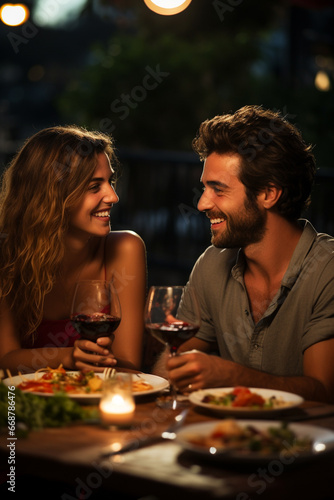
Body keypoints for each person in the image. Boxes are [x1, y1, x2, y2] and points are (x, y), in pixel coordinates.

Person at [154, 104, 334, 403]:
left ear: (268, 194)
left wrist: (233, 377)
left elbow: (325, 394)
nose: (202, 204)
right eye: (204, 188)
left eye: (218, 189)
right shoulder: (212, 264)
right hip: (223, 441)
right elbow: (170, 362)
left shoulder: (327, 271)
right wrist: (172, 373)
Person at [0, 125, 147, 375]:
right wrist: (68, 357)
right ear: (52, 195)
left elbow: (128, 366)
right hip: (25, 403)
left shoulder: (125, 249)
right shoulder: (8, 255)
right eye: (94, 186)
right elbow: (5, 358)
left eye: (110, 181)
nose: (113, 196)